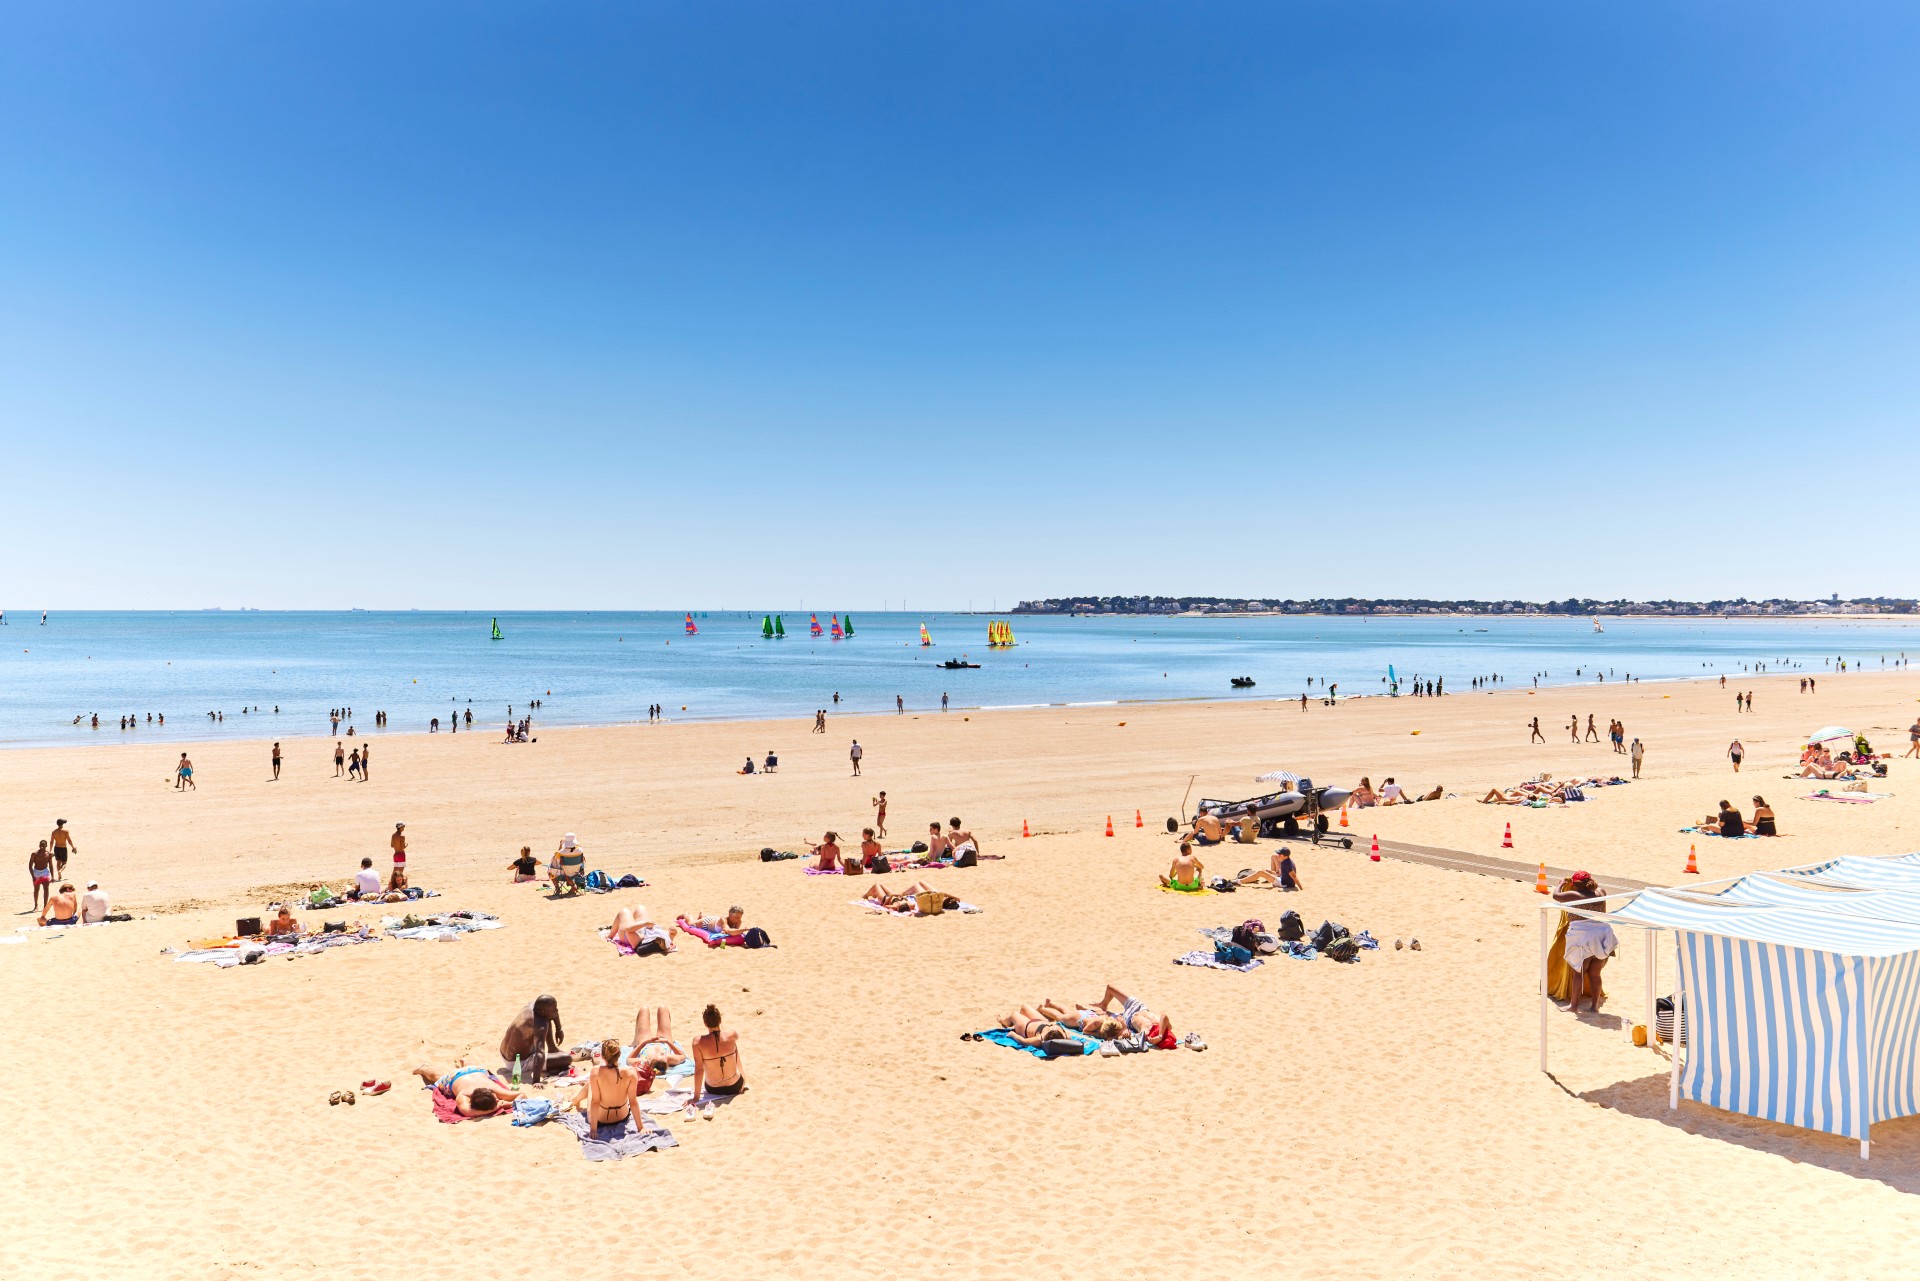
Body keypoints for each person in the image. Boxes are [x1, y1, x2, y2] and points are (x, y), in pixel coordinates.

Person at [410, 1063, 525, 1118]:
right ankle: (423, 1069)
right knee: (437, 1076)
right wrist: (498, 1106)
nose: (497, 1098)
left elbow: (522, 1094)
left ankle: (462, 1064)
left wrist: (508, 1103)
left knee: (462, 1072)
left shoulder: (492, 1090)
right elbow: (468, 1112)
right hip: (456, 1076)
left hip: (476, 1070)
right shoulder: (463, 1095)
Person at [578, 1039, 643, 1131]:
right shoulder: (631, 1072)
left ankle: (575, 1100)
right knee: (595, 1082)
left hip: (601, 1119)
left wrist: (593, 1129)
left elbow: (595, 1102)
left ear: (602, 1056)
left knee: (593, 1085)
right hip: (622, 1116)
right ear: (619, 1055)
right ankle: (575, 1099)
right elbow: (633, 1102)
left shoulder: (596, 1071)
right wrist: (641, 1128)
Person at [1564, 903, 1618, 1015]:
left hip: (1583, 936)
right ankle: (1594, 1007)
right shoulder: (1600, 892)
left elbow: (1556, 895)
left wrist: (1562, 885)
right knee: (1595, 974)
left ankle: (1573, 1006)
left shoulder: (1576, 896)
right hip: (1601, 934)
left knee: (1579, 973)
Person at [500, 995, 569, 1082]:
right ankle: (551, 1051)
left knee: (547, 1018)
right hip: (517, 1062)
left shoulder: (533, 1005)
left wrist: (558, 1029)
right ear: (543, 1011)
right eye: (554, 1009)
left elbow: (554, 1012)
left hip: (504, 1052)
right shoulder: (540, 1025)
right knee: (567, 1058)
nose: (556, 1011)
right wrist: (536, 1081)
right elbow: (540, 1053)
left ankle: (552, 1049)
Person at [691, 1003, 746, 1103]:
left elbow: (699, 1070)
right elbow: (737, 1036)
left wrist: (696, 1097)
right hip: (735, 1086)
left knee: (729, 1046)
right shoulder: (731, 1034)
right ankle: (744, 1077)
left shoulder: (697, 1042)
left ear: (705, 1023)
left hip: (713, 1089)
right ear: (720, 1020)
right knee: (733, 1045)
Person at [1091, 985, 1174, 1046]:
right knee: (1110, 987)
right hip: (1138, 1006)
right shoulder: (1166, 1027)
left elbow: (1127, 1038)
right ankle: (1104, 1004)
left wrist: (1124, 1036)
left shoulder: (1146, 1034)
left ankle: (1087, 1009)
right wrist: (1160, 1036)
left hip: (1128, 1018)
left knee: (1105, 1015)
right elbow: (1164, 1016)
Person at [1036, 1000, 1125, 1040]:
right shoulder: (1094, 1024)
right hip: (1078, 1019)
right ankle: (1042, 1009)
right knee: (1060, 1017)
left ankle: (1050, 1003)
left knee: (1066, 1012)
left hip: (1085, 1014)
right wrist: (1097, 1034)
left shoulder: (1108, 1020)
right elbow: (1085, 1031)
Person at [609, 904, 674, 954]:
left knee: (624, 911)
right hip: (643, 929)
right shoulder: (661, 938)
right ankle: (633, 920)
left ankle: (610, 936)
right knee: (640, 907)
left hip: (627, 934)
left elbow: (628, 929)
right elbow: (671, 936)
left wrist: (645, 923)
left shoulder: (639, 940)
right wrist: (672, 932)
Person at [994, 1008, 1075, 1047]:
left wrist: (1012, 1034)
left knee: (1013, 1014)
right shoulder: (1064, 1036)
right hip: (1042, 1021)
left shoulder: (1039, 1039)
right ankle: (1022, 1016)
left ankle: (1001, 1020)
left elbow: (1023, 1041)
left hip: (1026, 1026)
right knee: (1024, 1007)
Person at [1237, 845, 1302, 890]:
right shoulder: (1286, 860)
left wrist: (1301, 888)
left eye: (1280, 854)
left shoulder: (1287, 864)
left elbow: (1294, 876)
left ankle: (1238, 882)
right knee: (1263, 871)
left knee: (1260, 872)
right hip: (1282, 880)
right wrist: (1270, 872)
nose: (1278, 855)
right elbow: (1278, 873)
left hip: (1284, 884)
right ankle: (1239, 881)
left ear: (1285, 856)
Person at [29, 841, 55, 913]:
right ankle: (36, 905)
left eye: (43, 845)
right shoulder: (34, 854)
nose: (42, 846)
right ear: (39, 845)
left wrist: (53, 876)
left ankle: (45, 906)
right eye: (41, 845)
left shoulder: (48, 854)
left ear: (46, 845)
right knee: (36, 890)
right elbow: (30, 866)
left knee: (46, 889)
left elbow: (51, 865)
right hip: (36, 872)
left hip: (45, 872)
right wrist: (33, 875)